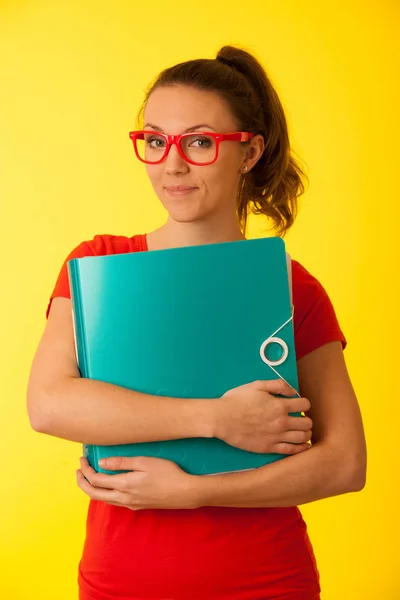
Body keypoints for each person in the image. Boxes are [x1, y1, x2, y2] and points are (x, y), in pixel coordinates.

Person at [27, 46, 366, 600]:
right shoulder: (99, 266)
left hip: (264, 582)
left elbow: (345, 464)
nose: (172, 163)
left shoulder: (293, 287)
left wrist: (192, 492)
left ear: (250, 151)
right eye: (156, 140)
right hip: (121, 582)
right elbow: (49, 404)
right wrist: (218, 419)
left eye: (200, 142)